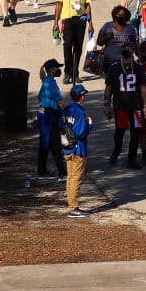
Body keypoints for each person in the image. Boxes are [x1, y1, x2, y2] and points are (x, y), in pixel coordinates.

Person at [104, 47, 146, 169]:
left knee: (136, 133)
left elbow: (143, 87)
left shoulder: (138, 68)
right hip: (120, 106)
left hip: (136, 106)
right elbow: (108, 86)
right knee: (119, 131)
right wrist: (106, 103)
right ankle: (116, 152)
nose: (128, 59)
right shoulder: (114, 67)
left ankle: (131, 159)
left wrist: (145, 105)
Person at [53, 0, 94, 85]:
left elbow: (87, 5)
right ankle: (67, 72)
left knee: (78, 47)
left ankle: (75, 73)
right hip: (67, 19)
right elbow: (59, 4)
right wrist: (56, 22)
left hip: (81, 19)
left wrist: (90, 23)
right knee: (67, 45)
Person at [60, 84, 93, 217]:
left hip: (67, 148)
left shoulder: (67, 109)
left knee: (70, 177)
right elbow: (80, 132)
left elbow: (60, 125)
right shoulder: (79, 111)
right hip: (78, 149)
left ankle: (72, 205)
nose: (84, 96)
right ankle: (74, 208)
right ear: (81, 96)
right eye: (83, 94)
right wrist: (89, 125)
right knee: (76, 179)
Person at [37, 59, 68, 181]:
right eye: (56, 68)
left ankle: (42, 170)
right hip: (49, 116)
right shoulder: (50, 84)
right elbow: (60, 101)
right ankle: (62, 173)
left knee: (45, 143)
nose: (58, 70)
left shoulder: (47, 81)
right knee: (55, 144)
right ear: (51, 70)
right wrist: (72, 110)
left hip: (44, 114)